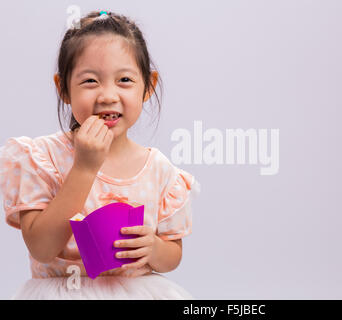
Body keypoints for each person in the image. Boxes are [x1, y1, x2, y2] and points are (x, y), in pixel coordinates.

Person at [0, 10, 200, 299]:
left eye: (125, 80)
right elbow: (41, 248)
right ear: (63, 89)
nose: (108, 95)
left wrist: (153, 249)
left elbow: (173, 255)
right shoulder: (41, 158)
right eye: (91, 81)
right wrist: (83, 168)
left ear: (148, 86)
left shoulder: (158, 169)